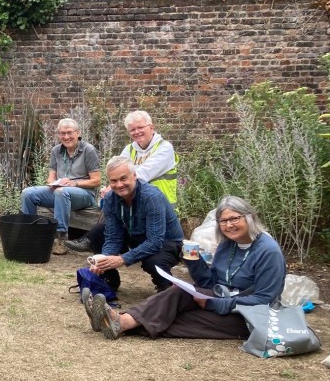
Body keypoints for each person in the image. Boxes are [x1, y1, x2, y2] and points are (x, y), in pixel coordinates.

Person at [84, 196, 285, 340]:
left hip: (251, 316)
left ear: (249, 218)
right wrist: (193, 261)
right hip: (223, 297)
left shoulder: (268, 251)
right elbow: (209, 283)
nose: (229, 225)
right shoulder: (227, 244)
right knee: (178, 292)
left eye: (235, 219)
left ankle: (120, 322)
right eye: (223, 221)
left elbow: (264, 299)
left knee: (184, 318)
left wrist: (218, 305)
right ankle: (121, 321)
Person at [66, 110, 177, 253]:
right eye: (132, 130)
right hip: (134, 200)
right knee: (110, 197)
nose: (136, 132)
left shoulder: (164, 148)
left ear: (151, 127)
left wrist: (116, 185)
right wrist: (108, 188)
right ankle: (99, 242)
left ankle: (92, 238)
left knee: (114, 194)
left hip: (159, 204)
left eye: (140, 127)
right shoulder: (129, 149)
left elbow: (143, 174)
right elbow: (117, 170)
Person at [89, 156, 183, 293]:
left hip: (166, 241)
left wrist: (123, 259)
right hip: (137, 236)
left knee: (153, 260)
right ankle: (109, 281)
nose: (119, 185)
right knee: (98, 232)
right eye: (113, 181)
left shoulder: (151, 197)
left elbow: (155, 241)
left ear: (134, 176)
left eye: (123, 178)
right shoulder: (110, 198)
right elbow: (113, 236)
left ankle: (165, 287)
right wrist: (105, 260)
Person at [19, 118, 101, 255]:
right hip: (61, 191)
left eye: (69, 133)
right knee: (28, 193)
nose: (66, 137)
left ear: (78, 133)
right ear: (58, 135)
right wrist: (52, 184)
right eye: (62, 133)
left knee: (61, 192)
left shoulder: (88, 150)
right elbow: (51, 176)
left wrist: (74, 183)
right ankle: (31, 234)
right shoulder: (56, 151)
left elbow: (96, 181)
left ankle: (60, 239)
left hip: (85, 195)